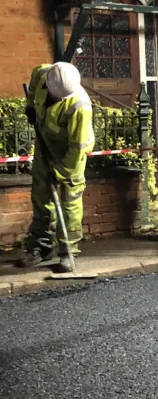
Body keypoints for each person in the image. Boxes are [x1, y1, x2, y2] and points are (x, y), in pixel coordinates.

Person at [17, 62, 94, 273]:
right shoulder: (43, 73)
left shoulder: (80, 106)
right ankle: (41, 247)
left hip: (71, 152)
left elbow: (76, 147)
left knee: (69, 201)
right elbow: (33, 89)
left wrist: (59, 171)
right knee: (41, 195)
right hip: (45, 142)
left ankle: (68, 251)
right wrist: (31, 107)